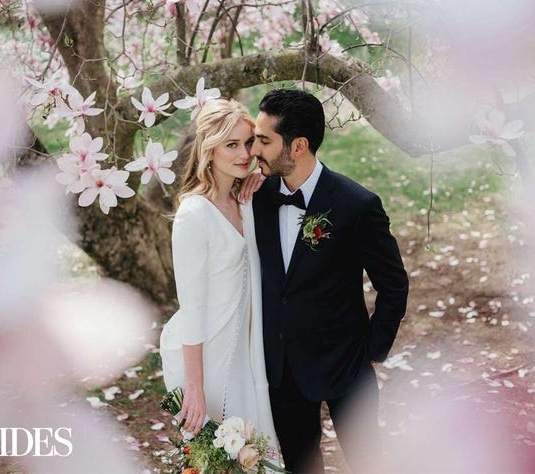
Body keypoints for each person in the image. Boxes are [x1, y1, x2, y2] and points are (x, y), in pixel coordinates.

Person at [248, 88, 409, 473]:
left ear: (298, 146)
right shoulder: (255, 198)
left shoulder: (357, 205)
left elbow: (394, 284)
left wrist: (372, 349)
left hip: (345, 367)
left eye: (264, 140)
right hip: (283, 371)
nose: (254, 150)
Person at [159, 99, 278, 454]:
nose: (244, 154)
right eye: (231, 145)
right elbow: (191, 308)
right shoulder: (194, 214)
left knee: (255, 454)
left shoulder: (244, 199)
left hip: (246, 351)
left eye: (248, 143)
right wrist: (195, 388)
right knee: (221, 457)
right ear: (209, 149)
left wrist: (264, 175)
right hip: (209, 358)